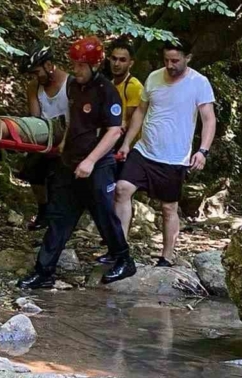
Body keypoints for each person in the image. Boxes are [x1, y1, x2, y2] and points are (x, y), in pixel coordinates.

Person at [18, 36, 137, 289]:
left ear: (95, 64)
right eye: (75, 65)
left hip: (97, 165)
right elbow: (73, 117)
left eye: (82, 65)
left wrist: (91, 161)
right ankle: (44, 271)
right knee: (59, 217)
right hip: (69, 162)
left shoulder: (107, 92)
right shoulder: (74, 86)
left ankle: (124, 258)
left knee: (104, 215)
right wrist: (64, 146)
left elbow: (114, 131)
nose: (76, 70)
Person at [114, 39, 216, 267]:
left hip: (174, 157)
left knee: (168, 208)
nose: (170, 65)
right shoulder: (154, 77)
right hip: (144, 150)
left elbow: (208, 119)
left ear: (188, 57)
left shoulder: (199, 83)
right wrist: (127, 143)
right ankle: (119, 250)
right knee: (122, 189)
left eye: (175, 61)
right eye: (166, 60)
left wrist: (203, 151)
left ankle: (166, 257)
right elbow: (141, 111)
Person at [95, 38, 144, 264]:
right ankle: (114, 242)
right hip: (108, 141)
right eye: (113, 58)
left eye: (122, 60)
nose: (116, 63)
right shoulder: (105, 83)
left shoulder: (133, 86)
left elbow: (129, 119)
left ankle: (119, 244)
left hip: (126, 146)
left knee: (120, 193)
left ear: (130, 63)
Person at [16, 41, 71, 231]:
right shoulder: (34, 87)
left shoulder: (69, 84)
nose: (35, 77)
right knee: (33, 170)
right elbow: (35, 117)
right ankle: (43, 210)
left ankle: (59, 215)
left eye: (36, 72)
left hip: (68, 136)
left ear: (48, 66)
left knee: (59, 175)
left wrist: (64, 141)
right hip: (45, 135)